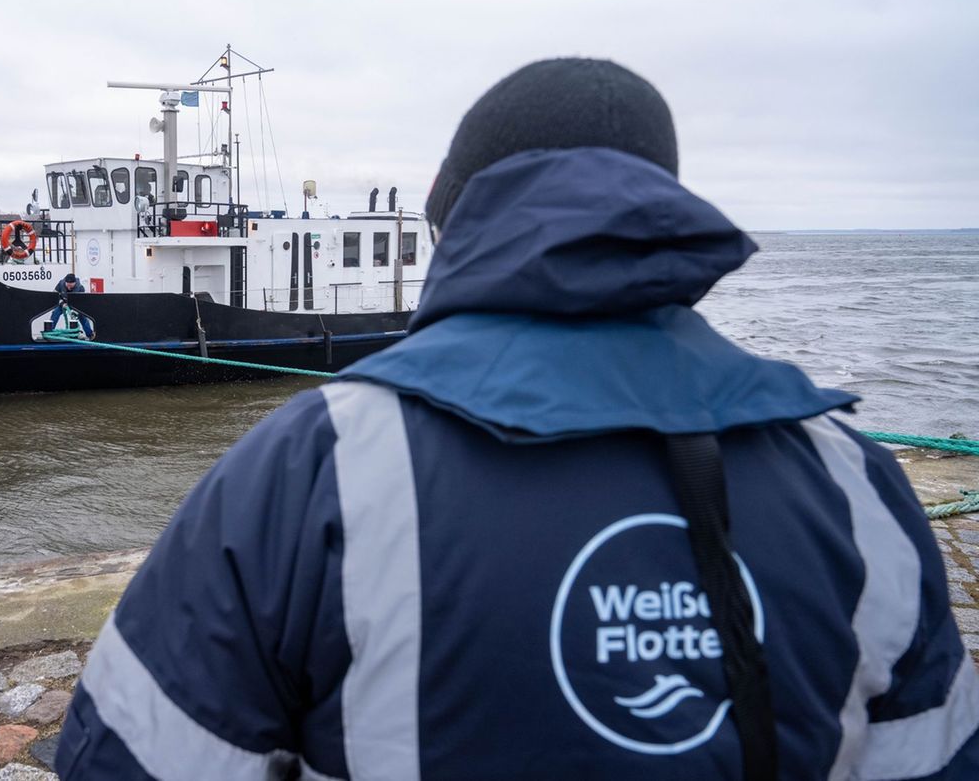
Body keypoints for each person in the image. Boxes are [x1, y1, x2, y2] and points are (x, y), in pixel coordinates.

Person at [56, 59, 979, 779]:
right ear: (662, 216)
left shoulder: (312, 467)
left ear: (453, 222)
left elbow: (132, 757)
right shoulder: (856, 484)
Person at [51, 273, 93, 337]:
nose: (69, 287)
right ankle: (50, 333)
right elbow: (54, 296)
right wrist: (62, 303)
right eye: (67, 285)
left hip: (75, 305)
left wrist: (75, 310)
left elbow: (81, 302)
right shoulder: (60, 284)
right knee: (55, 313)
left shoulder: (81, 288)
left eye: (71, 286)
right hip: (63, 303)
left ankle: (90, 334)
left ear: (75, 283)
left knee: (82, 316)